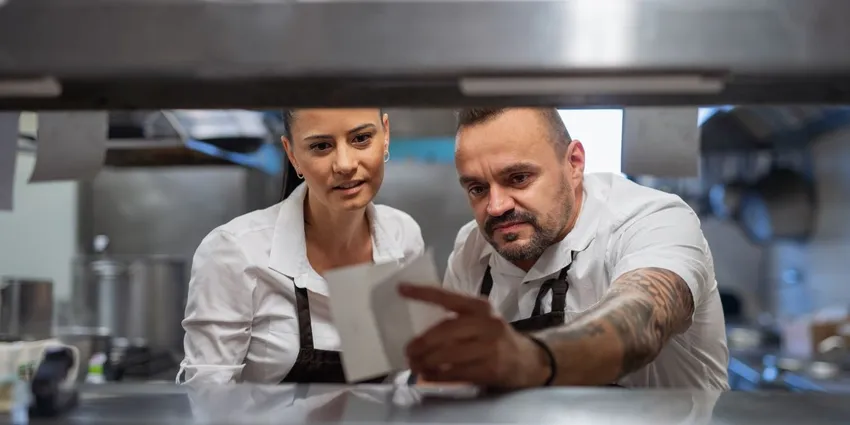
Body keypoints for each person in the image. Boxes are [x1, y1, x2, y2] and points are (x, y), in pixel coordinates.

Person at [400, 107, 729, 390]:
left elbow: (642, 318)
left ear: (574, 163)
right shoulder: (472, 249)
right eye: (477, 188)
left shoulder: (651, 219)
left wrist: (531, 359)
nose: (496, 206)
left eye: (518, 178)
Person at [177, 108, 424, 385]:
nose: (344, 164)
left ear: (386, 133)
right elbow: (208, 403)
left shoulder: (403, 237)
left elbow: (396, 383)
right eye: (321, 146)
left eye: (361, 138)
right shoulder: (234, 252)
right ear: (292, 153)